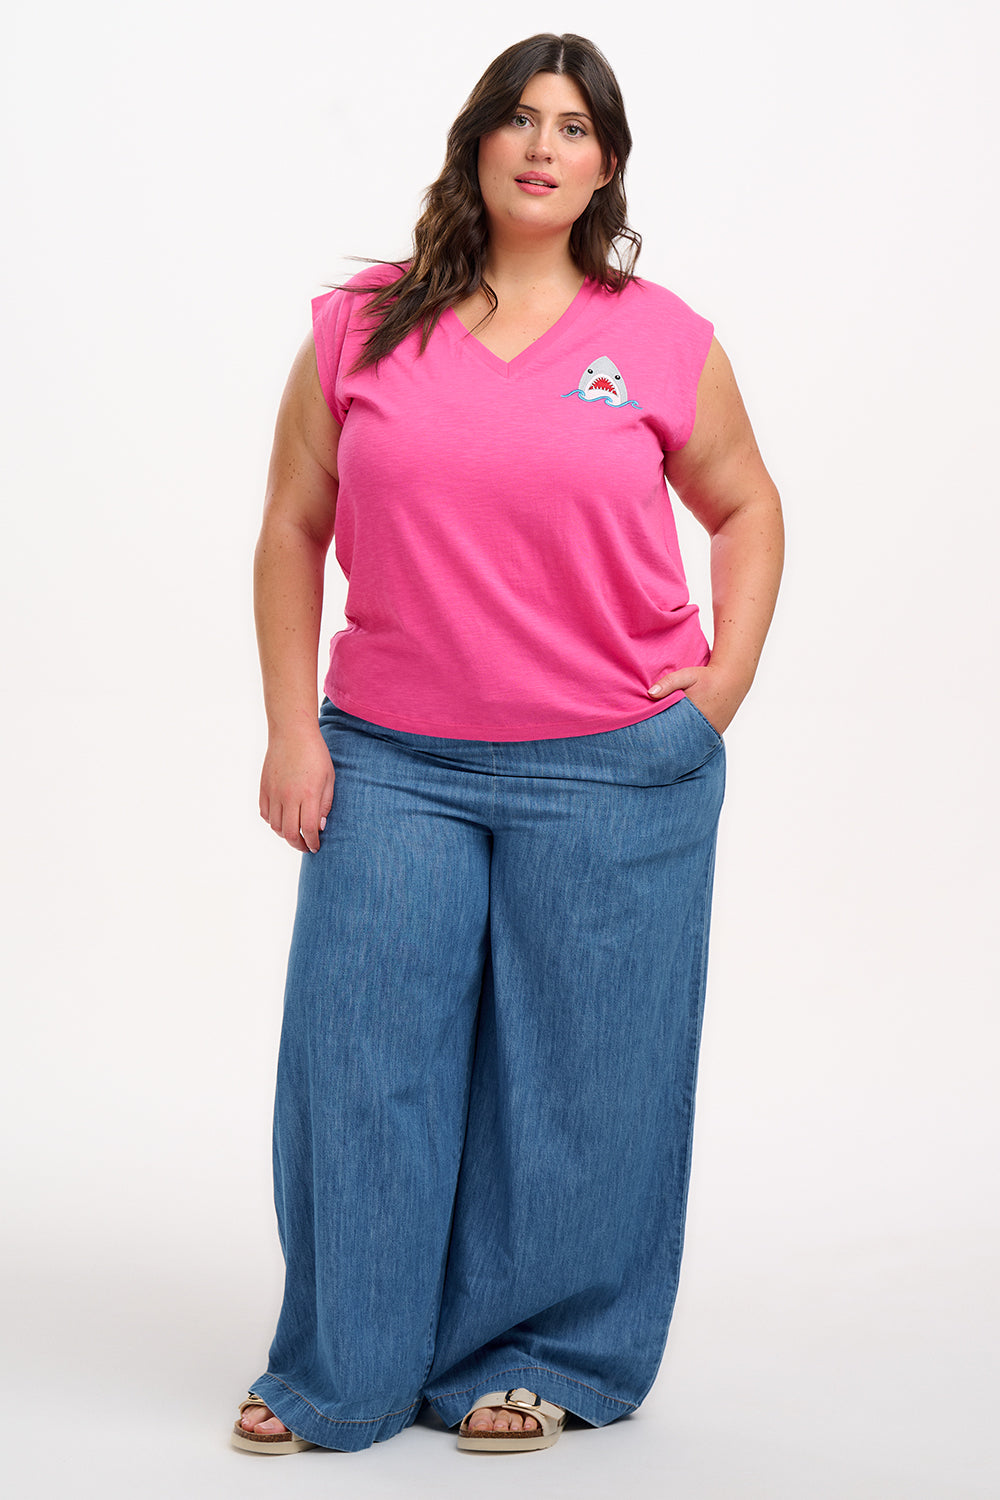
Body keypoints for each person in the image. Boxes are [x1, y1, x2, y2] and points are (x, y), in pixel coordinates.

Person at [233, 32, 783, 1458]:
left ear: (606, 164)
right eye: (520, 119)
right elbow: (293, 525)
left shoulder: (663, 338)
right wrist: (294, 729)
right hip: (393, 761)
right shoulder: (363, 324)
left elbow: (749, 508)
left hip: (612, 764)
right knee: (360, 1065)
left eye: (577, 126)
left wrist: (712, 694)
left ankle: (542, 1353)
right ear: (477, 141)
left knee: (585, 1077)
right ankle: (342, 1369)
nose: (545, 146)